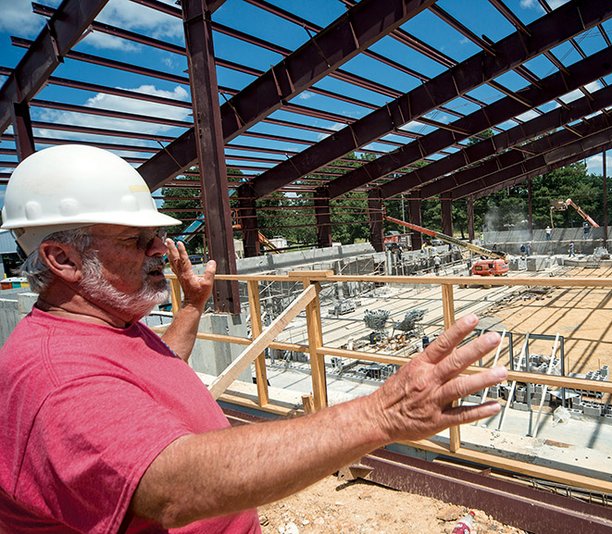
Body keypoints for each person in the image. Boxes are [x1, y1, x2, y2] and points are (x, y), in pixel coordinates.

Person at [0, 145, 507, 532]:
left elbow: (154, 373)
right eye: (136, 240)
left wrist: (194, 307)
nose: (160, 247)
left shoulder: (111, 327)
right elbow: (172, 487)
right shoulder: (55, 374)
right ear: (62, 259)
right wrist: (380, 415)